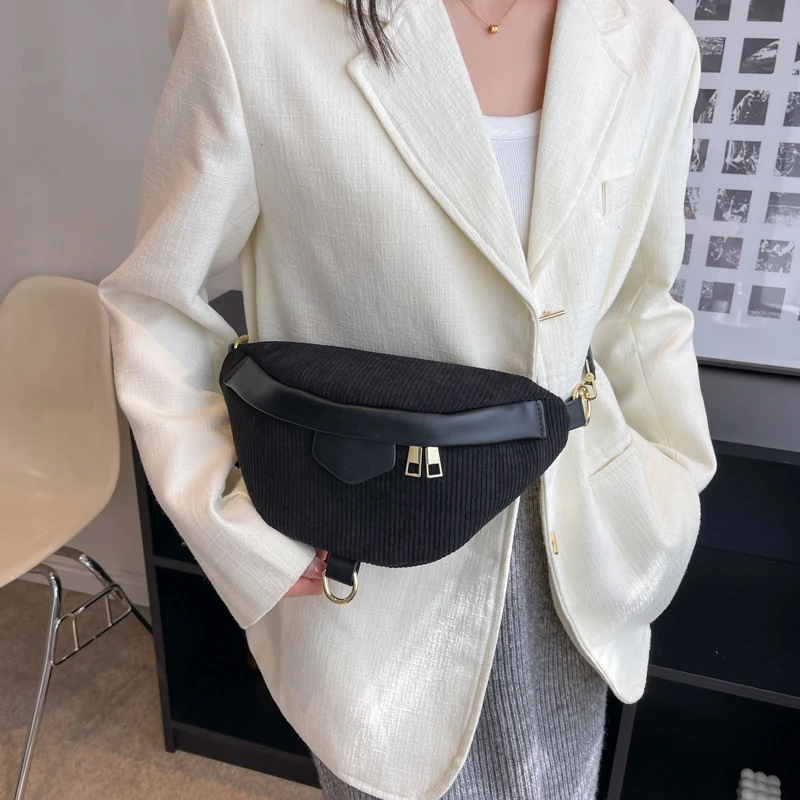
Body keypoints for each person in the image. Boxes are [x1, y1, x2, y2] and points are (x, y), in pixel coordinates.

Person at [98, 0, 717, 798]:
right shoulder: (254, 21)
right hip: (372, 567)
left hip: (579, 561)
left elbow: (641, 305)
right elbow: (153, 303)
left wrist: (674, 481)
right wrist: (235, 525)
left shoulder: (653, 38)